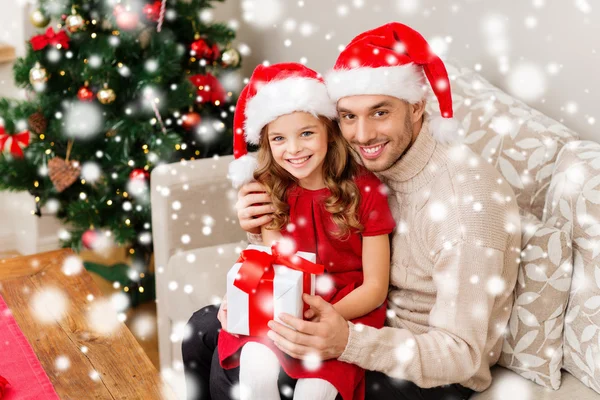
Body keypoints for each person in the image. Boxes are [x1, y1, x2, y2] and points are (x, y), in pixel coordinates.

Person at [183, 22, 520, 400]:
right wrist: (257, 236)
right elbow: (307, 226)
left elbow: (463, 356)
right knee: (202, 330)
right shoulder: (356, 161)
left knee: (247, 377)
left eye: (380, 113)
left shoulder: (465, 203)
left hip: (422, 365)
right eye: (348, 116)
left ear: (417, 107)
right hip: (349, 311)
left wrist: (345, 341)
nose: (361, 135)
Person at [222, 62, 395, 400]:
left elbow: (375, 286)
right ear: (267, 144)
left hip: (346, 309)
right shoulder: (270, 189)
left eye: (306, 133)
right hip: (288, 303)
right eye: (278, 138)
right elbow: (276, 265)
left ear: (329, 132)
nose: (294, 149)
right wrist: (243, 297)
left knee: (315, 391)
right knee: (255, 368)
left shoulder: (368, 191)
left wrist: (327, 317)